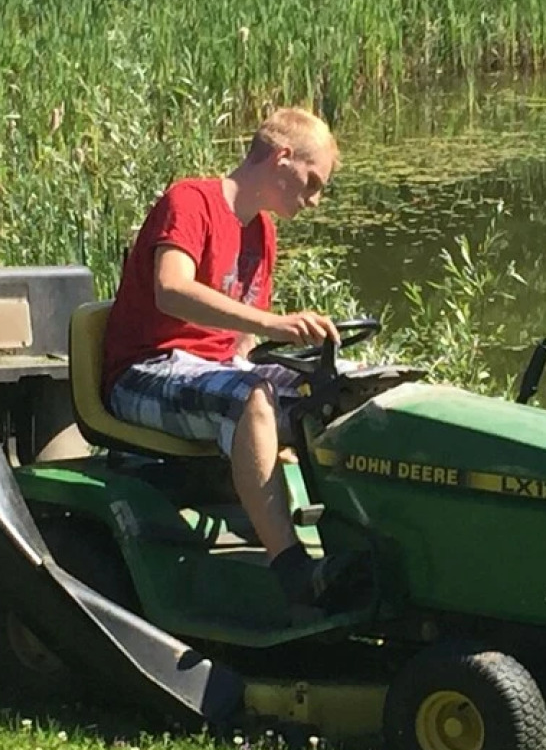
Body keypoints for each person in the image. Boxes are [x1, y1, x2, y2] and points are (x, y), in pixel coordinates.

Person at [102, 107, 363, 609]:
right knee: (253, 398)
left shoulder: (261, 231)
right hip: (143, 370)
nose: (313, 200)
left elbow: (238, 345)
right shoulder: (191, 201)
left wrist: (303, 366)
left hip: (210, 370)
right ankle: (292, 568)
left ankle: (358, 540)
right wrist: (271, 325)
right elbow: (170, 289)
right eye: (311, 182)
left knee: (344, 386)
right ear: (282, 159)